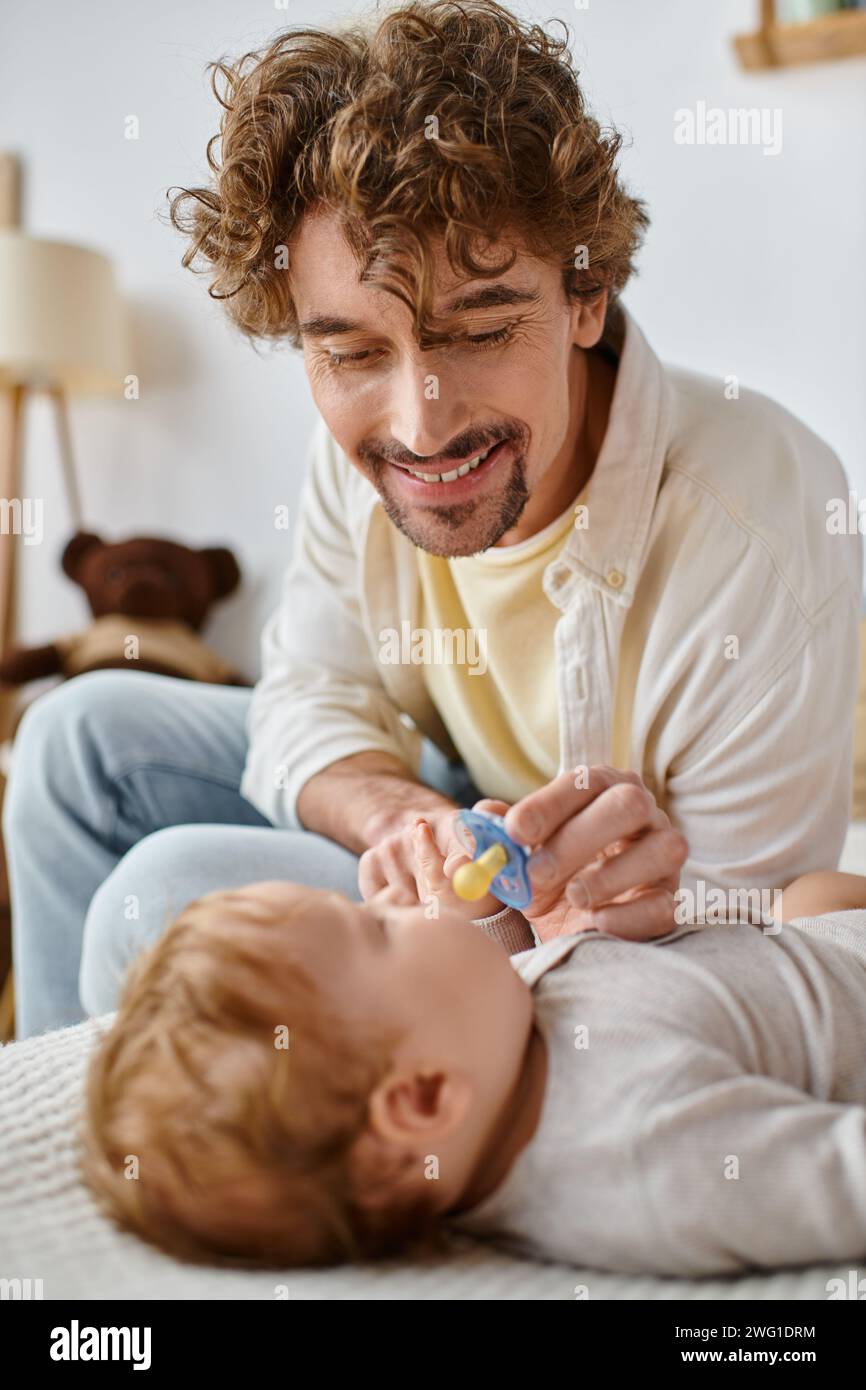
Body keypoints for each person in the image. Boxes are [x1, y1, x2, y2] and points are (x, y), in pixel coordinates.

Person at [5, 1, 861, 1037]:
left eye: (482, 328)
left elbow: (741, 959)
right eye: (353, 353)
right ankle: (43, 1138)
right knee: (67, 735)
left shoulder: (759, 528)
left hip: (604, 918)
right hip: (461, 799)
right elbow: (307, 698)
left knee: (170, 892)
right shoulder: (357, 453)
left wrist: (526, 916)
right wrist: (410, 825)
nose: (421, 425)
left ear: (582, 297)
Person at [82, 819, 866, 1277]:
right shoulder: (646, 1151)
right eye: (378, 929)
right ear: (421, 1099)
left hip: (796, 946)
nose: (397, 909)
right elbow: (839, 1178)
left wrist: (490, 910)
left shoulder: (484, 1059)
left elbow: (497, 979)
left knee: (814, 892)